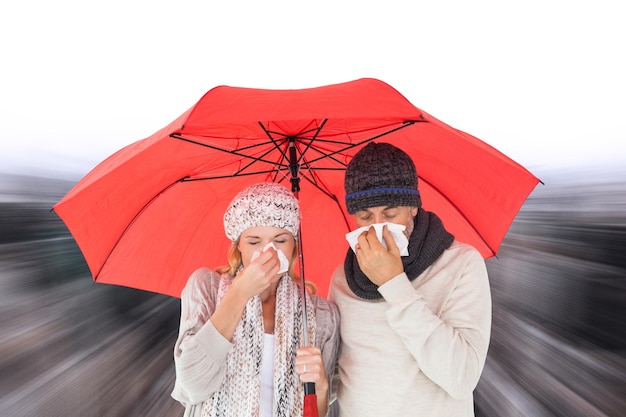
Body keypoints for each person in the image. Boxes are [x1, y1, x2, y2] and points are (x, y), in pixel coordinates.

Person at [328, 142, 492, 416]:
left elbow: (462, 377)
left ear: (413, 207)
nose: (378, 225)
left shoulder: (461, 263)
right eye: (365, 216)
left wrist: (394, 284)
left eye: (390, 213)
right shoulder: (342, 279)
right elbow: (334, 382)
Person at [171, 182, 340, 417]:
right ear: (238, 245)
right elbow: (192, 386)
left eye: (280, 240)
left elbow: (317, 413)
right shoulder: (207, 287)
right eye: (254, 241)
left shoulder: (321, 315)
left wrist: (320, 390)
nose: (268, 251)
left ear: (294, 246)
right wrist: (240, 292)